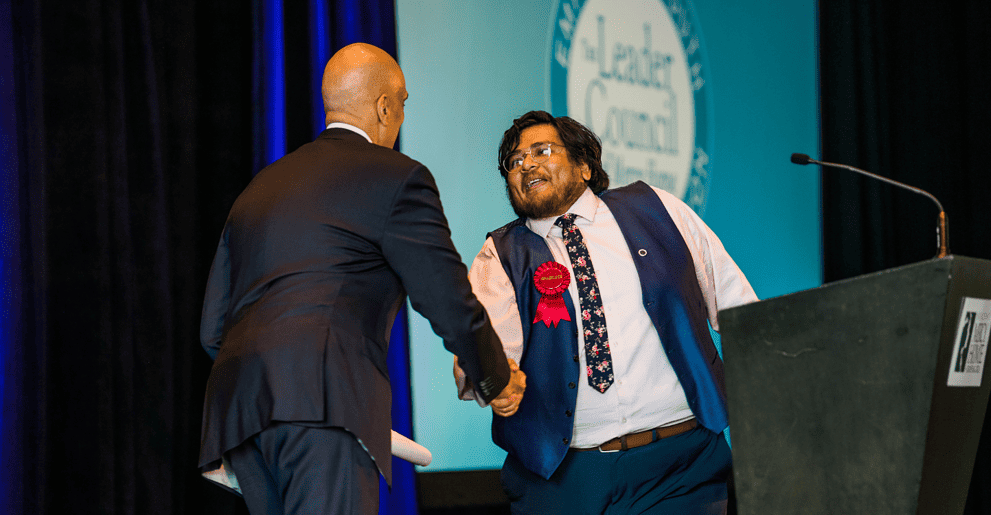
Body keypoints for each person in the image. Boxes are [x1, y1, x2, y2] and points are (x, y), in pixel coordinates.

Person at [197, 43, 525, 515]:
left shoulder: (260, 186)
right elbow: (446, 297)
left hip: (240, 418)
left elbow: (213, 329)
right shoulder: (396, 176)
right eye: (404, 105)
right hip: (323, 408)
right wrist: (495, 378)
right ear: (384, 106)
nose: (401, 117)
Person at [454, 111, 758, 514]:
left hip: (682, 466)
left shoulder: (656, 209)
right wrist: (494, 380)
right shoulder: (502, 254)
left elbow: (741, 310)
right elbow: (485, 351)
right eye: (514, 161)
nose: (526, 164)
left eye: (541, 151)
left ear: (583, 166)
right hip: (565, 482)